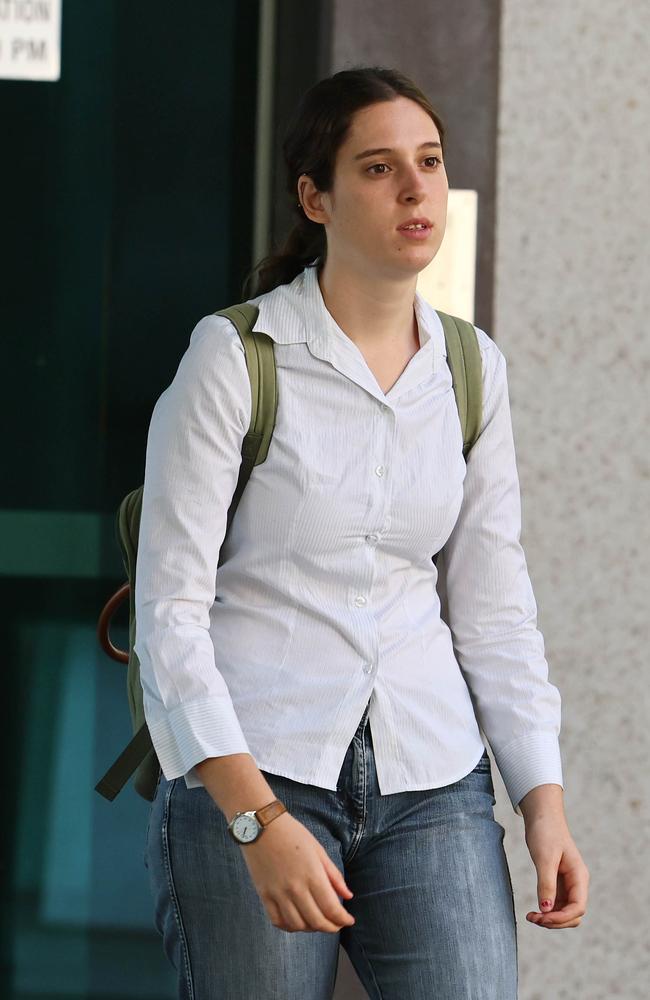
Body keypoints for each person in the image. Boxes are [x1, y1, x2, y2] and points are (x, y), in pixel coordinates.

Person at [138, 66, 589, 999]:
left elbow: (495, 611)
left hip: (434, 781)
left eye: (427, 162)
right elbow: (169, 617)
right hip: (257, 769)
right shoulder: (237, 358)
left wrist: (542, 804)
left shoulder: (471, 367)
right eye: (379, 168)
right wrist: (254, 821)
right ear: (317, 197)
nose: (416, 187)